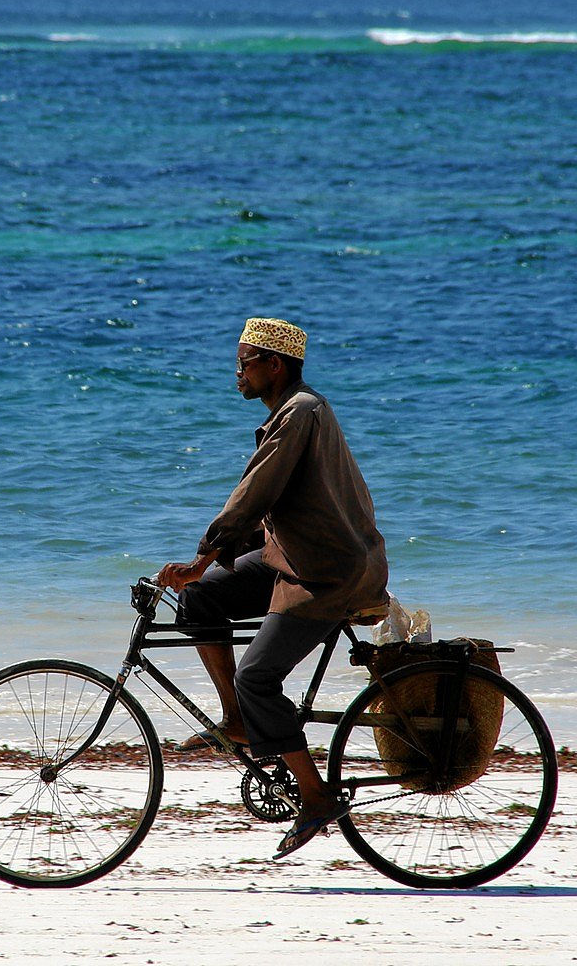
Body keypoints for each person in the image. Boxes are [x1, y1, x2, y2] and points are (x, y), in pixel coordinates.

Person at [157, 317, 389, 858]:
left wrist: (204, 553)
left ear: (274, 365)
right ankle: (237, 719)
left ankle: (314, 796)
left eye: (244, 363)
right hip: (294, 558)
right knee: (201, 597)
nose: (237, 373)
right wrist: (207, 569)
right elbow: (267, 507)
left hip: (329, 573)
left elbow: (254, 492)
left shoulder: (301, 412)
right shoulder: (293, 412)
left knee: (257, 676)